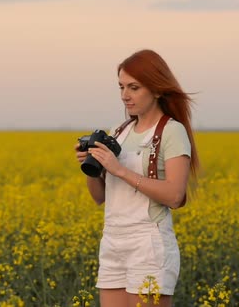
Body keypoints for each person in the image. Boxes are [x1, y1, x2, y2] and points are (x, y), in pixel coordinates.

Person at [74, 49, 199, 307]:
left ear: (156, 90)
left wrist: (119, 170)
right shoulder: (118, 132)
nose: (125, 96)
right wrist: (91, 167)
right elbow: (99, 198)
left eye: (134, 87)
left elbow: (175, 196)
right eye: (121, 87)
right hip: (112, 239)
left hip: (148, 243)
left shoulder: (171, 131)